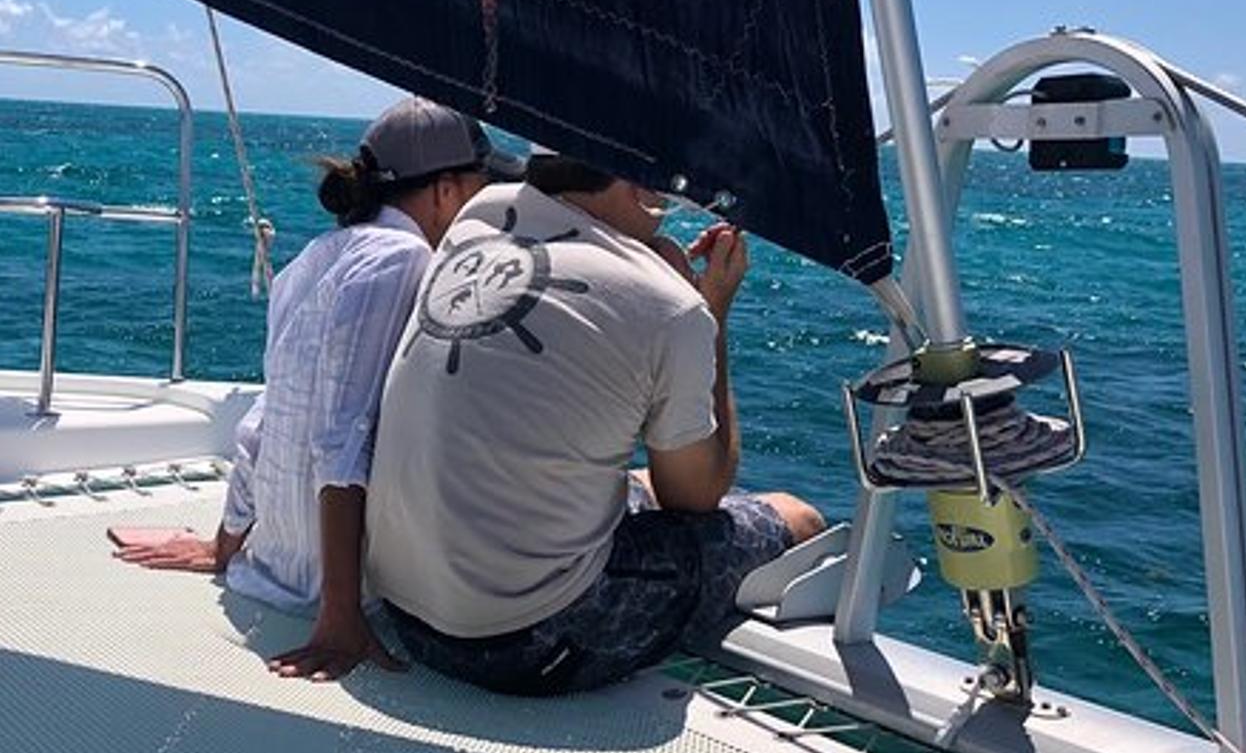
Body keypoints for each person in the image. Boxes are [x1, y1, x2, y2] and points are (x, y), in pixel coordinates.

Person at [362, 148, 826, 695]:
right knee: (799, 519)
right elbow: (695, 499)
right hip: (525, 643)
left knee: (637, 482)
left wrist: (661, 266)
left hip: (402, 613)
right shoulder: (672, 309)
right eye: (665, 195)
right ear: (636, 186)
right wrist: (712, 311)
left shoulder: (482, 213)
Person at [111, 97, 523, 680]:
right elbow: (343, 439)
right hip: (336, 592)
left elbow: (265, 418)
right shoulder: (403, 259)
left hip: (274, 568)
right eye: (482, 187)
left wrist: (225, 550)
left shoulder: (315, 257)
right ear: (446, 192)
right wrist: (339, 613)